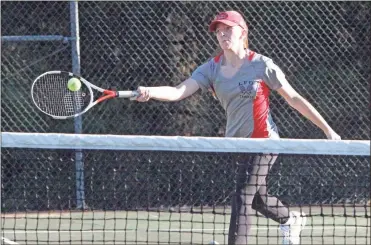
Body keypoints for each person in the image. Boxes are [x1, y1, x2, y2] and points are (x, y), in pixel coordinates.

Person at [135, 10, 341, 245]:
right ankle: (291, 220)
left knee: (243, 195)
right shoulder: (210, 69)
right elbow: (179, 91)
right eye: (219, 31)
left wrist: (327, 129)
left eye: (228, 29)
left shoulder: (262, 65)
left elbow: (293, 98)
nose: (223, 34)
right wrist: (150, 92)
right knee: (257, 199)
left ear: (242, 32)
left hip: (265, 142)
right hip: (236, 143)